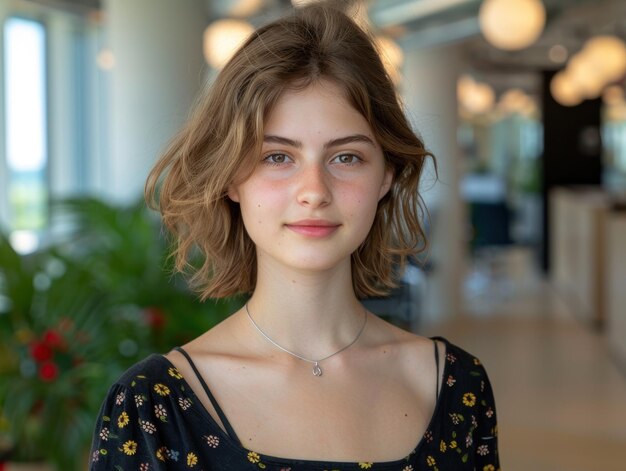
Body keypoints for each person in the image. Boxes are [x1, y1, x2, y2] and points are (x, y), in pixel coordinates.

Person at [89, 2, 500, 470]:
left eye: (346, 157)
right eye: (277, 158)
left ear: (386, 175)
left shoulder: (457, 386)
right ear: (230, 178)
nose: (314, 192)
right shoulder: (150, 408)